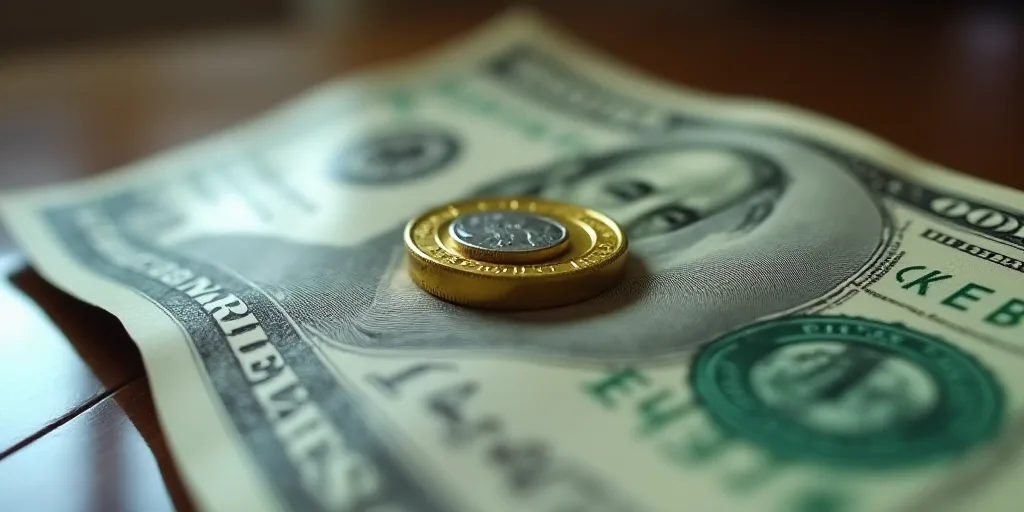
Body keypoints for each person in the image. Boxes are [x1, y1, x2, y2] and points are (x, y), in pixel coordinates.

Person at [170, 126, 887, 364]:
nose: (639, 223)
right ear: (562, 177)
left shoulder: (590, 341)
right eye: (633, 192)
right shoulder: (241, 256)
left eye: (674, 219)